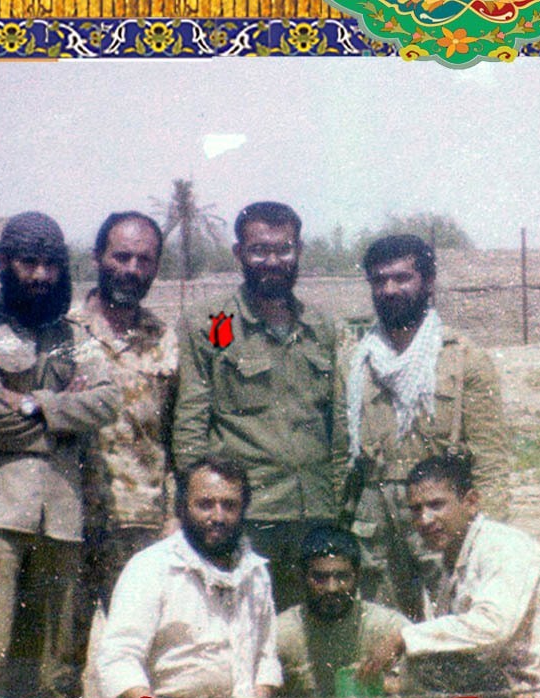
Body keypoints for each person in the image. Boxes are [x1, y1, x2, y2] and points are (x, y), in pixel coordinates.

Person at [0, 211, 120, 698]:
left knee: (51, 682)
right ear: (3, 261)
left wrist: (33, 404)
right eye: (28, 262)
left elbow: (107, 399)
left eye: (51, 264)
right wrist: (61, 429)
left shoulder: (74, 338)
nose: (41, 275)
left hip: (60, 528)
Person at [172, 201, 338, 612]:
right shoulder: (218, 323)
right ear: (239, 253)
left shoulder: (320, 326)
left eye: (283, 250)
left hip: (314, 511)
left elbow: (337, 422)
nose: (273, 262)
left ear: (299, 251)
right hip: (247, 513)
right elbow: (192, 418)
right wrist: (197, 508)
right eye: (260, 250)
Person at [339, 234, 510, 620]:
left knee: (460, 625)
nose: (390, 289)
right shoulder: (355, 361)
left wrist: (491, 535)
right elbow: (340, 455)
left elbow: (491, 458)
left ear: (428, 283)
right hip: (374, 522)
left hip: (442, 517)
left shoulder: (464, 359)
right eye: (379, 280)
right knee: (380, 630)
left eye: (402, 278)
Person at [358, 453, 540, 698]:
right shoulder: (456, 553)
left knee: (427, 666)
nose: (425, 519)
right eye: (416, 510)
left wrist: (404, 639)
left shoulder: (502, 546)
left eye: (436, 505)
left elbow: (493, 625)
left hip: (539, 697)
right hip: (505, 681)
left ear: (471, 502)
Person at [94, 457, 281, 698]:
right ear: (182, 508)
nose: (218, 517)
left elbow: (266, 657)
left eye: (229, 506)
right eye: (205, 504)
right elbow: (118, 659)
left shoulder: (255, 571)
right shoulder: (151, 566)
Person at [72, 211, 178, 616]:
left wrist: (174, 517)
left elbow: (178, 435)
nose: (132, 269)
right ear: (97, 257)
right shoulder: (64, 331)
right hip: (72, 522)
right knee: (60, 650)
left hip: (142, 527)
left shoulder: (165, 341)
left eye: (144, 260)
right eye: (121, 256)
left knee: (143, 643)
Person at [273, 525, 409, 698]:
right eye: (320, 578)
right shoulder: (281, 632)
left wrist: (389, 683)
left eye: (342, 577)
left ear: (358, 576)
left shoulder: (385, 625)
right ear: (302, 577)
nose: (332, 588)